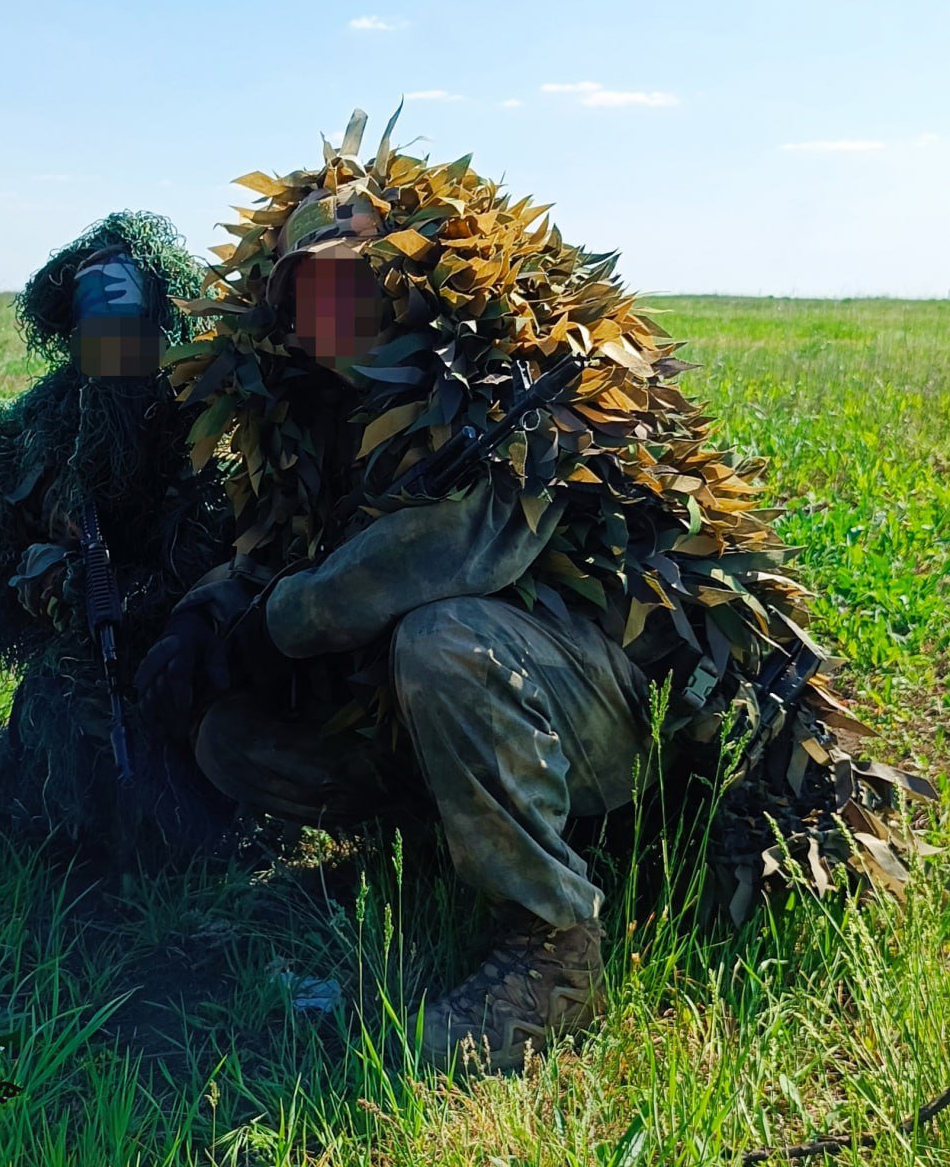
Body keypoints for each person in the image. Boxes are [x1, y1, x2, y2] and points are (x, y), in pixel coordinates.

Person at [136, 110, 932, 1070]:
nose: (329, 312)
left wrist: (280, 621)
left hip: (625, 717)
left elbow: (468, 546)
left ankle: (550, 951)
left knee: (448, 637)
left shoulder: (529, 379)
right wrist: (205, 617)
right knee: (238, 740)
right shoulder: (326, 409)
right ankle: (433, 849)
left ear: (407, 280)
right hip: (507, 705)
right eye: (306, 292)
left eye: (351, 281)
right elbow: (282, 544)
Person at [0, 211, 235, 865]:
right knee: (65, 725)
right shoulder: (29, 436)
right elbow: (4, 587)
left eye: (129, 331)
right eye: (97, 332)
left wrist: (164, 613)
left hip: (194, 650)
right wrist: (49, 573)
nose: (115, 350)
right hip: (84, 657)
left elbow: (234, 558)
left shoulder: (210, 420)